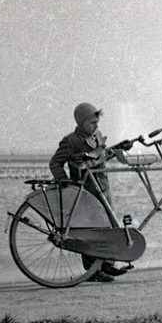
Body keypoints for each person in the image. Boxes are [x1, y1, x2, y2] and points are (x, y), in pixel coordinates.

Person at [49, 102, 125, 282]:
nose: (97, 126)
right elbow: (55, 163)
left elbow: (101, 155)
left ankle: (107, 264)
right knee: (91, 231)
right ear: (81, 122)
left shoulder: (97, 136)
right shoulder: (70, 141)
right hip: (85, 192)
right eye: (92, 122)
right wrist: (63, 179)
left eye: (97, 122)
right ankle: (92, 270)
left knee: (110, 225)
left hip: (103, 189)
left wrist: (117, 149)